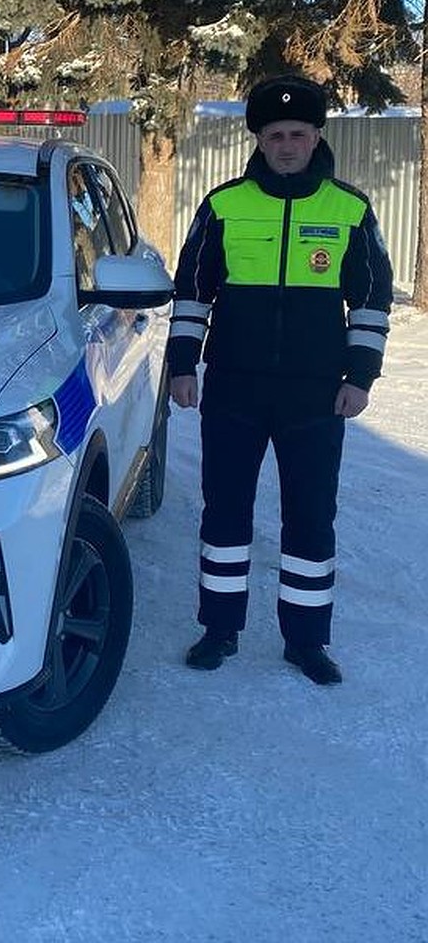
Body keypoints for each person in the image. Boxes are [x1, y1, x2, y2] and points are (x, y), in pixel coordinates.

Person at [167, 74, 392, 684]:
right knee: (225, 510)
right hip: (235, 386)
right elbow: (192, 293)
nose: (287, 145)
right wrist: (183, 366)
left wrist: (361, 376)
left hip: (315, 391)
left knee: (311, 515)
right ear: (259, 141)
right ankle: (218, 629)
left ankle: (307, 641)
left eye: (297, 133)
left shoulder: (349, 208)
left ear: (316, 135)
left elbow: (370, 302)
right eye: (275, 135)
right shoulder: (224, 204)